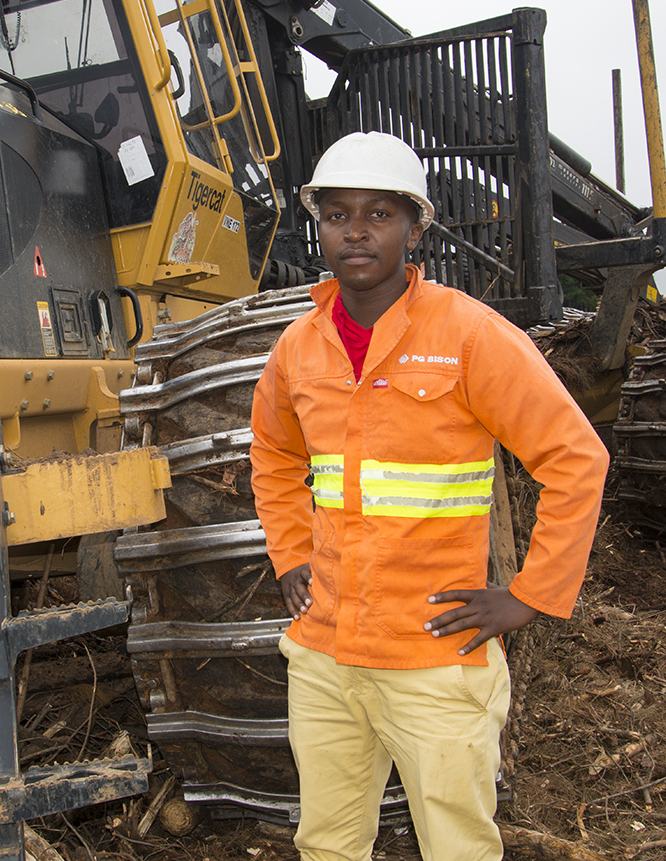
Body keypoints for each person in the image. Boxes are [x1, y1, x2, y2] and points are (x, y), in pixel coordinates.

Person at [249, 131, 609, 861]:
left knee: (456, 846)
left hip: (435, 655)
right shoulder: (298, 347)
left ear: (416, 228)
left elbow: (576, 458)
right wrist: (290, 554)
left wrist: (531, 596)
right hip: (326, 652)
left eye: (379, 214)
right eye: (337, 214)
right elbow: (275, 454)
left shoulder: (470, 335)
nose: (356, 231)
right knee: (326, 843)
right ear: (317, 226)